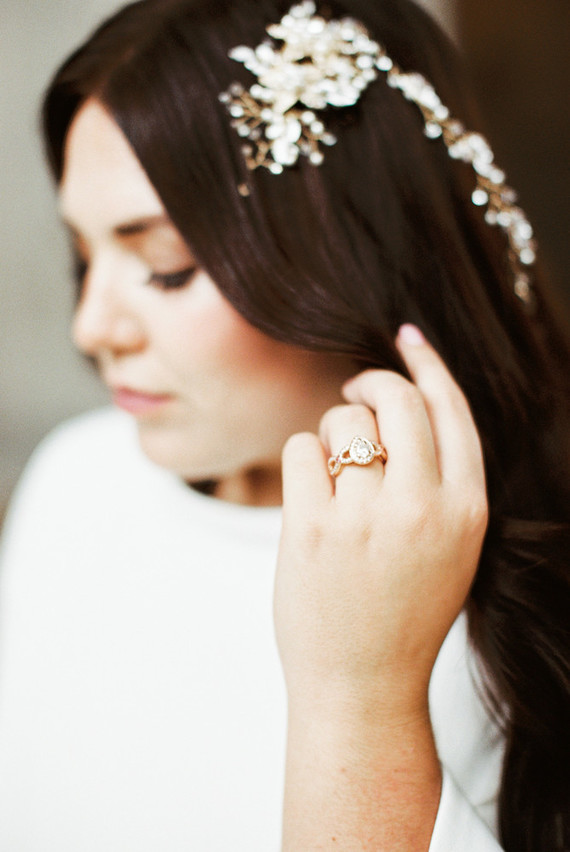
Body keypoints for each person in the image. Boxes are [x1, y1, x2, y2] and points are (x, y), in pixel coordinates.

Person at [0, 0, 568, 849]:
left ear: (353, 256)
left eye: (164, 267)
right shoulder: (75, 478)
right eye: (86, 256)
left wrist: (363, 697)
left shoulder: (513, 607)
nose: (91, 327)